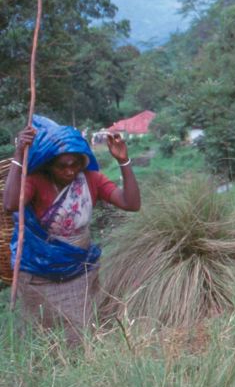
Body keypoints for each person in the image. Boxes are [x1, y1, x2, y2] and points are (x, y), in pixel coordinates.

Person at [4, 116, 140, 345]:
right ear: (48, 163)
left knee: (85, 332)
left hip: (80, 271)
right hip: (40, 275)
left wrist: (124, 162)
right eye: (62, 166)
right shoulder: (36, 182)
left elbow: (131, 203)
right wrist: (19, 155)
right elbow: (10, 204)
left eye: (75, 164)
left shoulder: (91, 180)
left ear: (82, 161)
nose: (69, 171)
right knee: (44, 338)